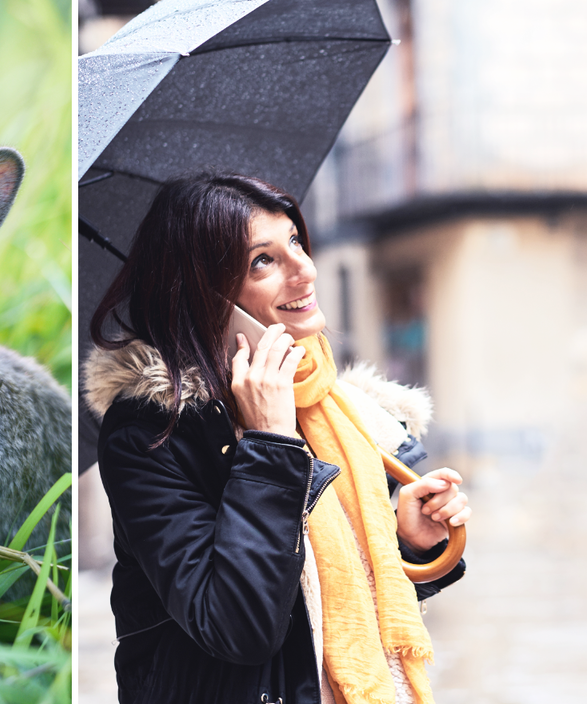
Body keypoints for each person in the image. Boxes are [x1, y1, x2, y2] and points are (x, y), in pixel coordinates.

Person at [82, 173, 471, 704]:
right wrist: (269, 443)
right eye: (262, 261)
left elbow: (340, 596)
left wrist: (405, 540)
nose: (304, 270)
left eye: (294, 241)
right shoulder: (150, 433)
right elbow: (238, 627)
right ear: (204, 293)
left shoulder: (340, 410)